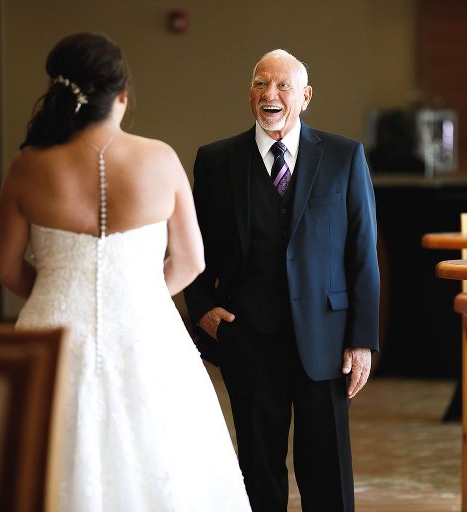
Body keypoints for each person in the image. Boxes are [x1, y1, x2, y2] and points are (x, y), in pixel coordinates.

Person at [0, 32, 251, 512]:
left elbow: (3, 266)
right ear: (123, 96)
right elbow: (191, 261)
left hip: (51, 335)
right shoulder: (160, 158)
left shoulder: (28, 165)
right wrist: (142, 294)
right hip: (148, 333)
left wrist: (54, 291)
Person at [184, 49, 380, 512]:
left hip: (328, 341)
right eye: (260, 84)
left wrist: (362, 340)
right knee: (257, 466)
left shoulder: (344, 156)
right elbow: (190, 247)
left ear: (305, 96)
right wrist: (202, 308)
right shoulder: (215, 161)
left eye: (283, 86)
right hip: (247, 335)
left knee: (327, 469)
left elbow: (362, 254)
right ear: (249, 93)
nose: (270, 95)